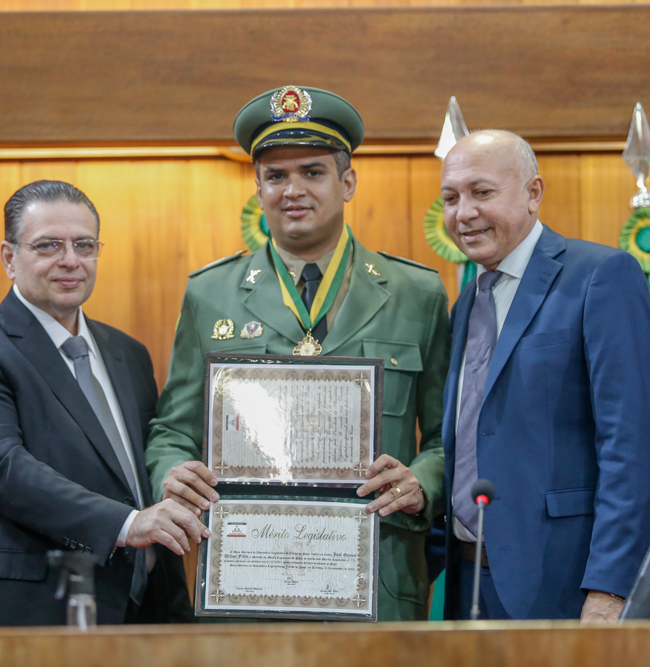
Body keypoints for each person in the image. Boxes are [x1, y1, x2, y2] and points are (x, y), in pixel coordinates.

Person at [145, 86, 451, 621]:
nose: (293, 190)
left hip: (378, 578)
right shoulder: (209, 293)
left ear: (347, 182)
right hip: (248, 580)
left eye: (312, 172)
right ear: (258, 188)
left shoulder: (416, 293)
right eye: (276, 176)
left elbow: (452, 437)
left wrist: (422, 483)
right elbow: (172, 430)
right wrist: (170, 472)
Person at [0, 180, 204, 627]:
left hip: (141, 612)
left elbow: (138, 467)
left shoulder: (127, 354)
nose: (70, 260)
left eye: (84, 245)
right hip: (26, 612)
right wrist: (126, 524)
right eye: (48, 245)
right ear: (9, 257)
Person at [438, 131, 650, 622]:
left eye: (482, 192)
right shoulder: (467, 302)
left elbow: (631, 446)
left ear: (533, 193)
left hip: (564, 585)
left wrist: (610, 588)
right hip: (469, 582)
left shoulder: (601, 276)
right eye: (450, 198)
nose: (464, 213)